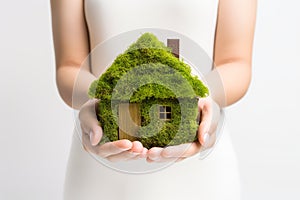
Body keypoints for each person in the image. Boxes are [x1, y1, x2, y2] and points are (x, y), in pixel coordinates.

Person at [50, 0, 256, 199]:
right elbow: (69, 65)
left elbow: (235, 61)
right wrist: (101, 102)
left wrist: (197, 101)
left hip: (202, 173)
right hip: (98, 173)